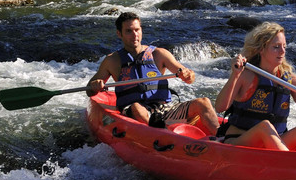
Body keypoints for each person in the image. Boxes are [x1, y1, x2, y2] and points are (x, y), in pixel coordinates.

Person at [214, 21, 296, 151]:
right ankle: (289, 165)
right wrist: (235, 75)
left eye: (284, 46)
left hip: (275, 142)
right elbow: (220, 107)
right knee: (265, 127)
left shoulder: (290, 79)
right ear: (261, 49)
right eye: (276, 47)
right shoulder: (246, 75)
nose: (282, 51)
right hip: (240, 141)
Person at [86, 11, 219, 133]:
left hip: (163, 110)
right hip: (134, 111)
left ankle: (222, 138)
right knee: (137, 108)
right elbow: (89, 89)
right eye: (129, 31)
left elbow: (190, 78)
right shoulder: (112, 60)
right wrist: (95, 85)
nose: (135, 35)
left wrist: (187, 75)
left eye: (137, 30)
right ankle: (164, 135)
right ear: (119, 34)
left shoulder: (159, 54)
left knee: (204, 102)